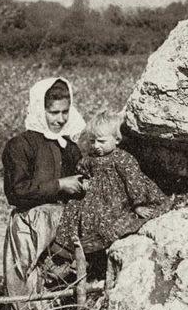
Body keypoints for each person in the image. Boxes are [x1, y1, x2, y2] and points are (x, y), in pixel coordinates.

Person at [1, 77, 87, 298]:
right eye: (54, 113)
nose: (60, 119)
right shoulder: (20, 145)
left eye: (65, 112)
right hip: (29, 224)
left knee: (58, 279)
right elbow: (17, 192)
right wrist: (59, 185)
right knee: (24, 280)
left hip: (62, 221)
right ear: (40, 109)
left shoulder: (70, 147)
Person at [55, 112, 168, 278]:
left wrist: (138, 204)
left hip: (118, 198)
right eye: (92, 141)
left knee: (107, 219)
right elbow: (81, 171)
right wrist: (84, 181)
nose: (96, 146)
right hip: (94, 198)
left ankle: (95, 257)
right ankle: (80, 256)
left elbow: (133, 180)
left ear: (116, 139)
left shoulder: (122, 158)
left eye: (101, 141)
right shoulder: (89, 159)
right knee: (79, 215)